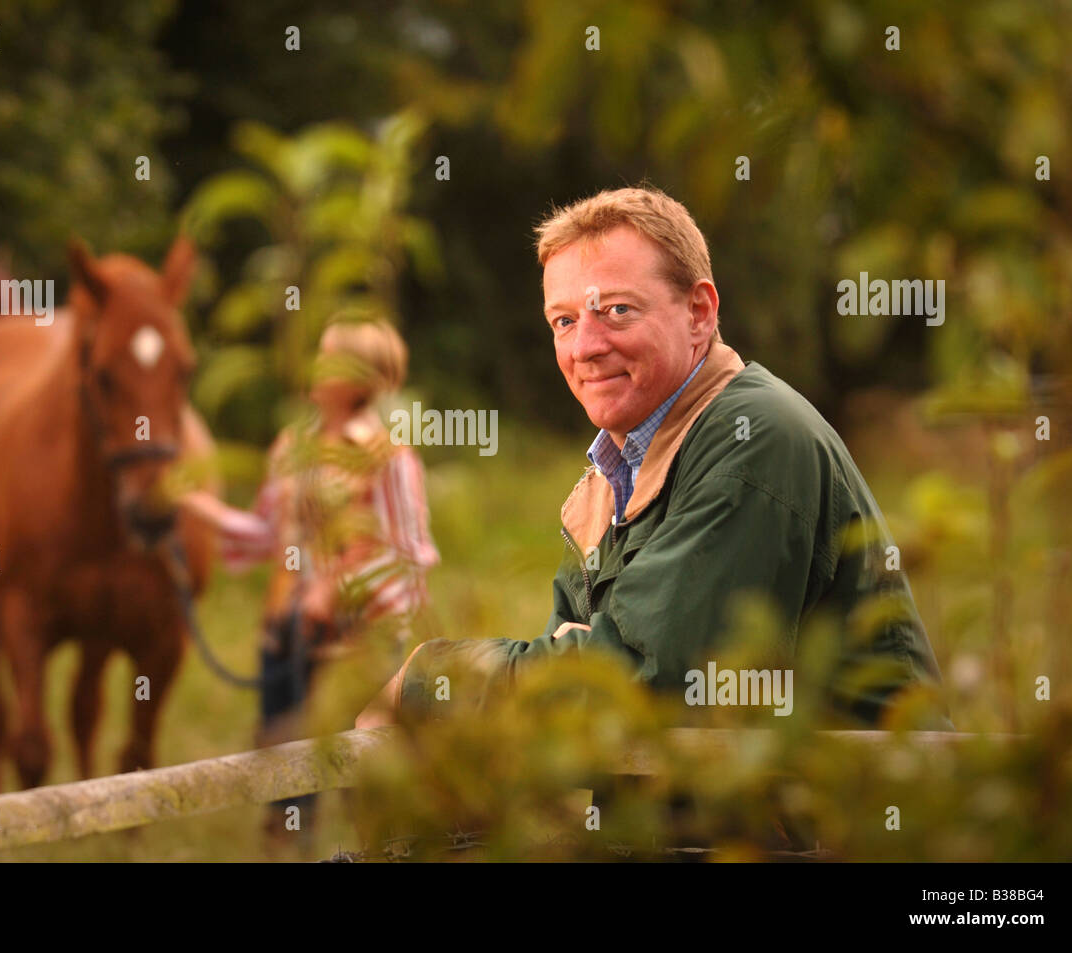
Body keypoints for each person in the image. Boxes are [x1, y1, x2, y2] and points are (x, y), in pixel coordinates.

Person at [357, 184, 950, 732]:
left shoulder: (753, 440)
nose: (585, 347)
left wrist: (428, 679)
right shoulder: (617, 470)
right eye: (563, 321)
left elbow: (644, 681)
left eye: (616, 310)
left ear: (699, 313)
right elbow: (573, 677)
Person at [183, 316, 439, 838]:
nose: (321, 366)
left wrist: (335, 589)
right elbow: (268, 533)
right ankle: (288, 840)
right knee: (284, 774)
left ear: (366, 376)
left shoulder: (388, 458)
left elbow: (409, 553)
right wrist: (198, 509)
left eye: (336, 357)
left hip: (361, 647)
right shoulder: (291, 448)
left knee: (365, 774)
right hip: (290, 632)